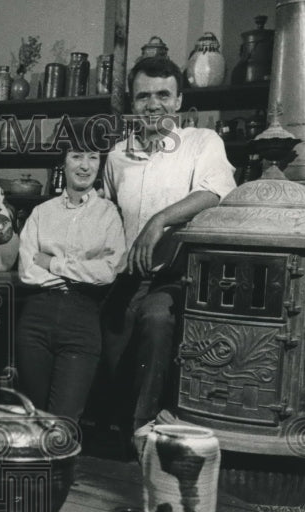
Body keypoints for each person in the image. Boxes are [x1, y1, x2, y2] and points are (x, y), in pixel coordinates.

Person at [100, 55, 237, 440]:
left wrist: (158, 221)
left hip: (175, 277)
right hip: (125, 276)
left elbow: (216, 192)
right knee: (110, 332)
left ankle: (142, 433)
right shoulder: (117, 156)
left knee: (156, 323)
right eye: (143, 96)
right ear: (132, 103)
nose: (153, 104)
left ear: (178, 102)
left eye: (163, 95)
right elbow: (107, 211)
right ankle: (112, 433)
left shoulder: (201, 142)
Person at [16, 139, 126, 424]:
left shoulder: (108, 214)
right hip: (36, 318)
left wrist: (53, 263)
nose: (85, 165)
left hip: (82, 320)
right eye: (76, 156)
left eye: (92, 157)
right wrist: (81, 272)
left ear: (99, 165)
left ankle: (59, 468)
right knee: (34, 417)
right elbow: (27, 270)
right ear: (63, 163)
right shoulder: (42, 212)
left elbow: (107, 272)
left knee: (63, 421)